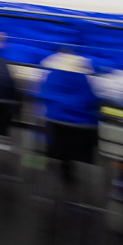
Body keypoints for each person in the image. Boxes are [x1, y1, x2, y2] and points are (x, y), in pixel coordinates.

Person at [35, 46, 100, 184]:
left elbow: (41, 96)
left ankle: (45, 158)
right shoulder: (84, 81)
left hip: (56, 131)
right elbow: (92, 101)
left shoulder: (51, 77)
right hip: (81, 137)